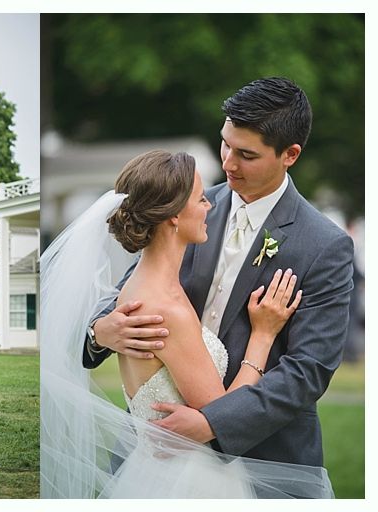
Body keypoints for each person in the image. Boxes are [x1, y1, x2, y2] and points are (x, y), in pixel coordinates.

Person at [86, 77, 354, 473]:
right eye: (225, 143)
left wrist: (214, 423)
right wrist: (99, 332)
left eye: (246, 154)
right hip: (157, 448)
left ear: (290, 154)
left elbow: (308, 370)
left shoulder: (325, 245)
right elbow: (136, 284)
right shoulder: (189, 206)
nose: (228, 162)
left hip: (260, 458)